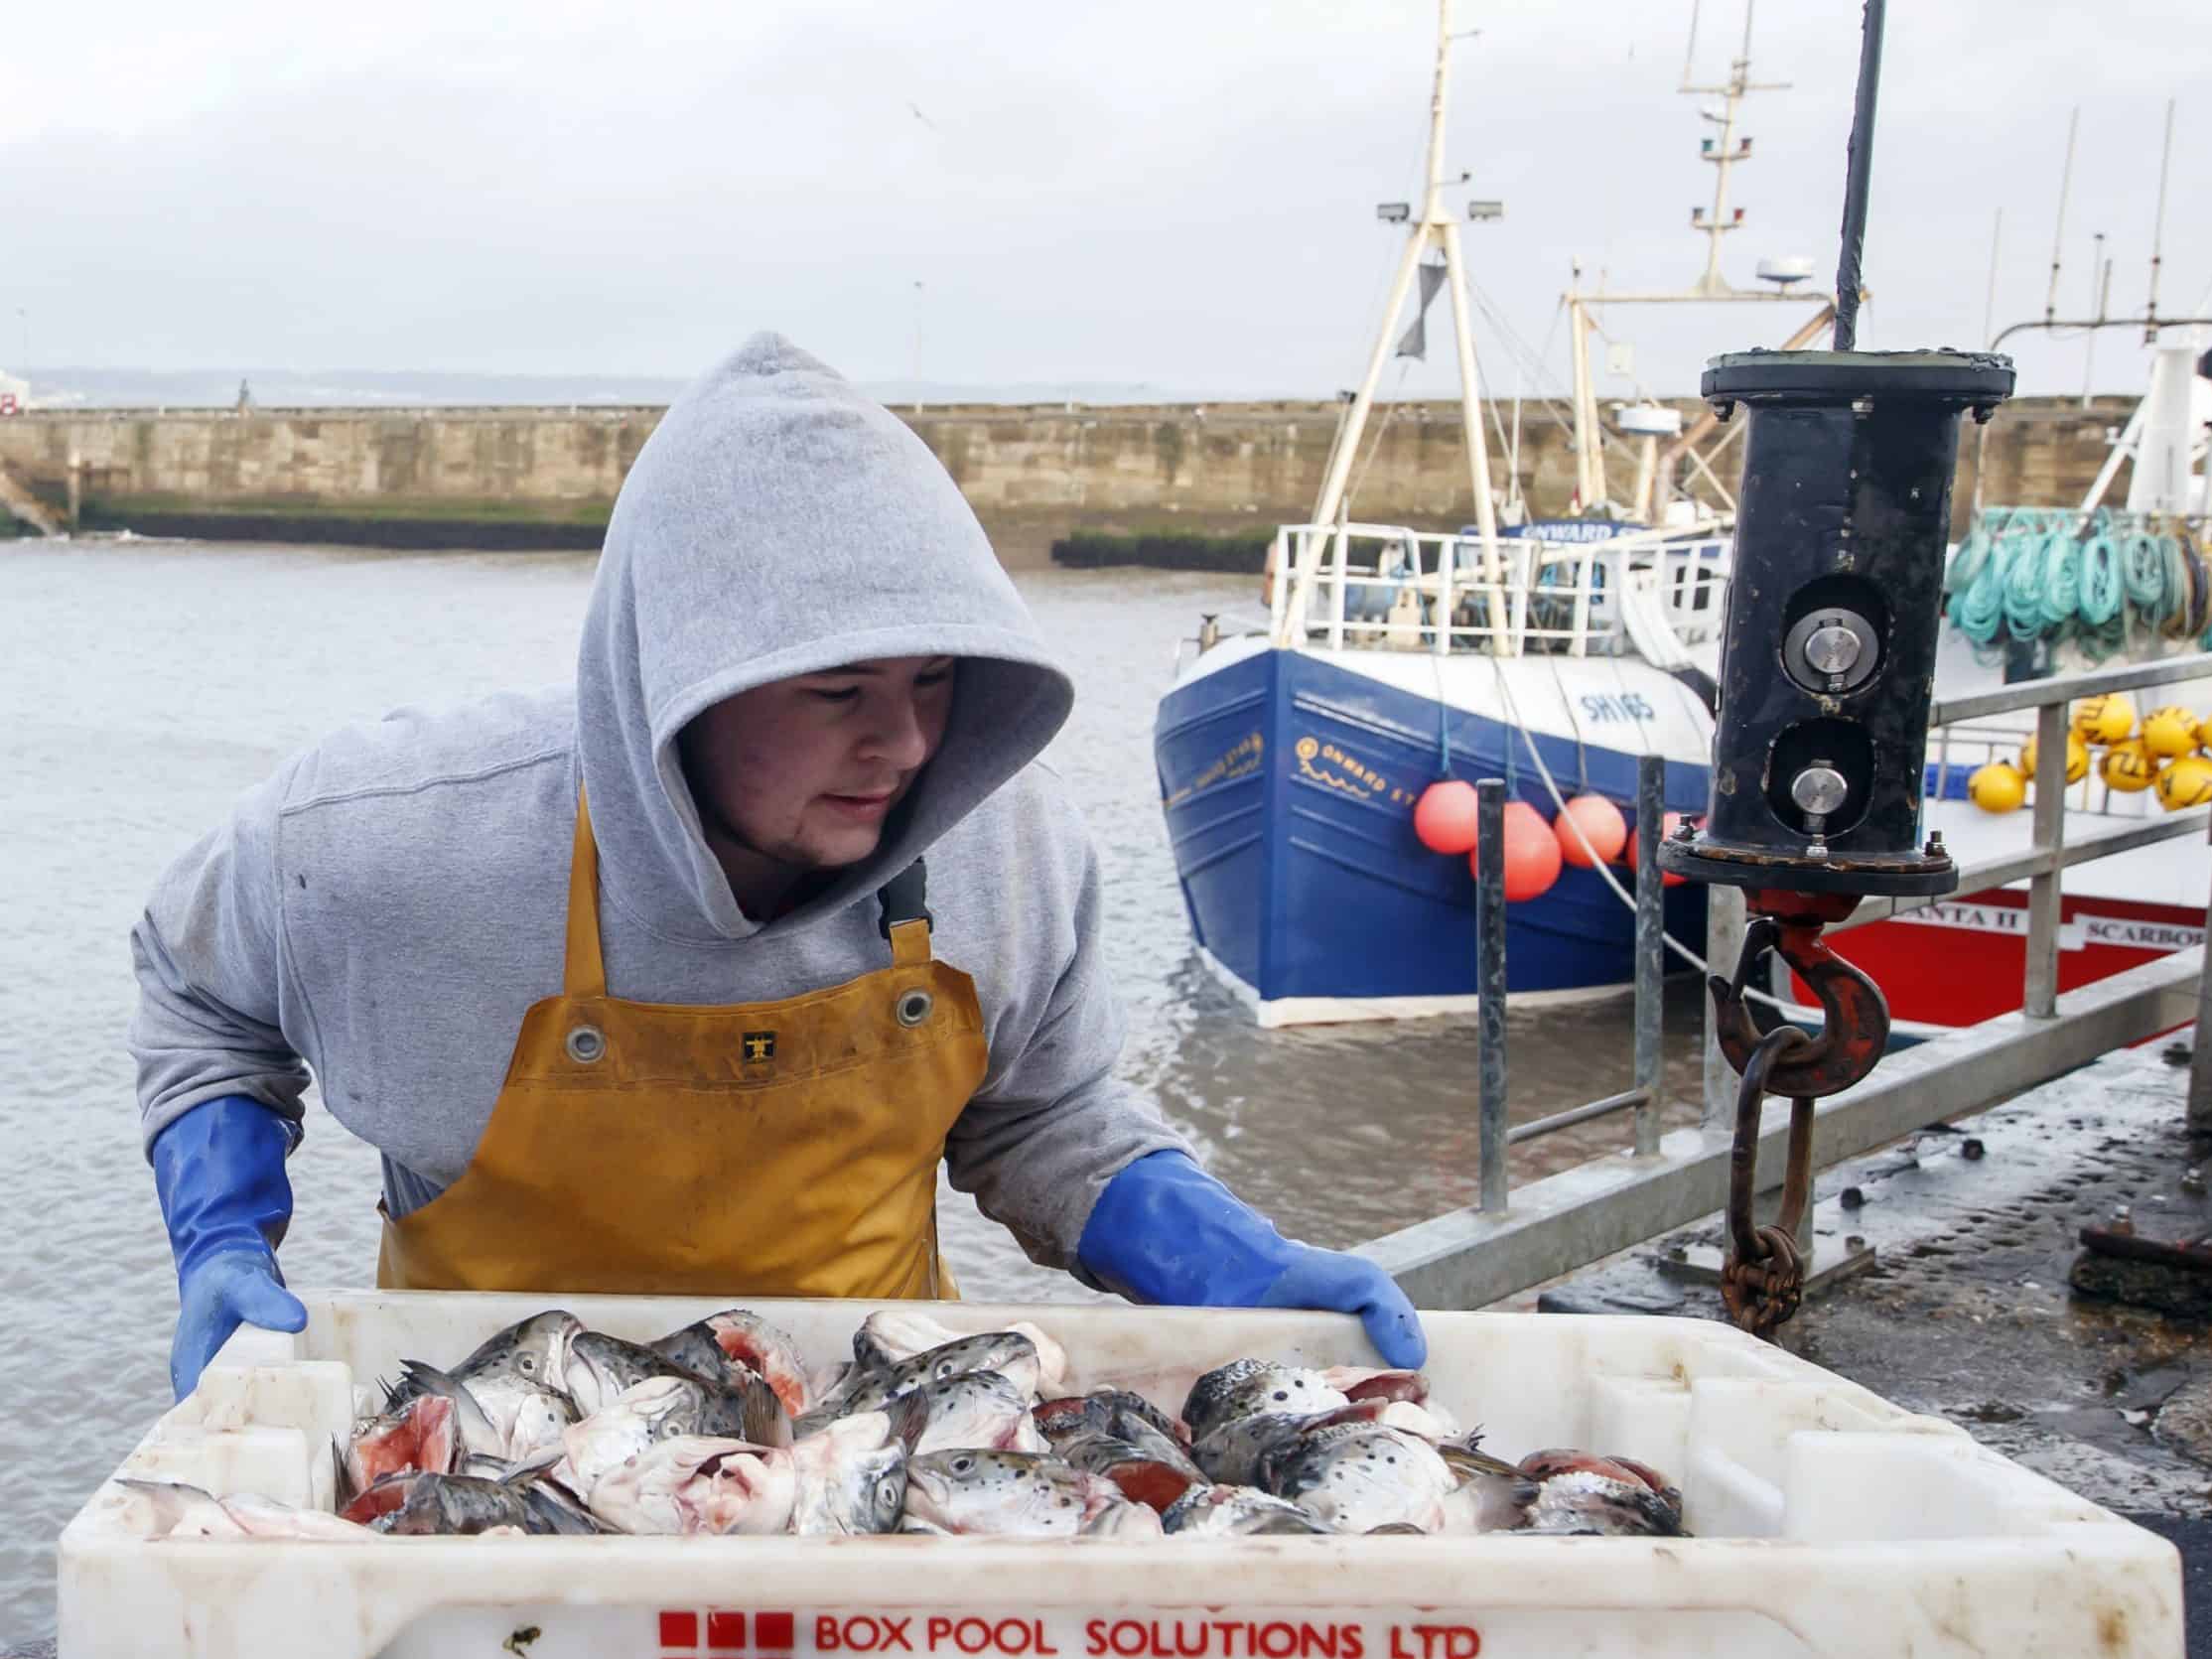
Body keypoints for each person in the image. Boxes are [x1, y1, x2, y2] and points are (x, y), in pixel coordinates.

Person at [133, 333, 1424, 1400]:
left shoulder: (1011, 847)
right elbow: (198, 988)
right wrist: (223, 1236)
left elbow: (1045, 1119)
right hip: (486, 1447)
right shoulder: (378, 841)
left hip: (875, 1440)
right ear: (679, 682)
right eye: (836, 689)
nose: (907, 744)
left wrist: (1229, 1263)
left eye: (932, 682)